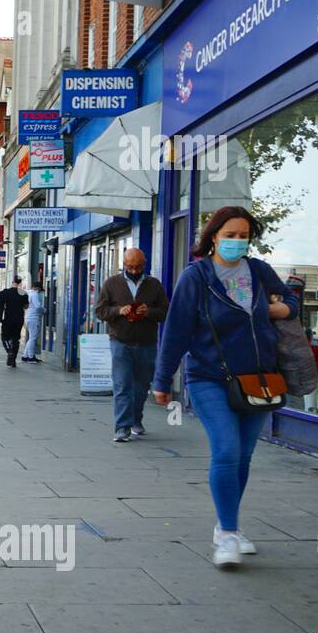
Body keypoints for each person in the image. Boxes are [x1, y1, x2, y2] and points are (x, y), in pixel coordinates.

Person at [152, 206, 298, 569]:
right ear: (213, 236)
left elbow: (291, 302)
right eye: (230, 235)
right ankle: (229, 534)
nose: (237, 242)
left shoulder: (260, 271)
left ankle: (225, 525)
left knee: (243, 457)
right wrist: (161, 380)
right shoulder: (196, 277)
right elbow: (176, 331)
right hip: (208, 378)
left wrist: (277, 309)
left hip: (258, 380)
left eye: (243, 236)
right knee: (227, 449)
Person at [96, 249, 169, 442]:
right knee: (122, 385)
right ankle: (122, 427)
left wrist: (149, 312)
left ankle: (136, 418)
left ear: (144, 264)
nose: (134, 271)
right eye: (130, 267)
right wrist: (119, 310)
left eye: (138, 267)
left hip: (147, 343)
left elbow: (164, 312)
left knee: (141, 385)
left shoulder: (154, 285)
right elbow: (100, 311)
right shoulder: (112, 283)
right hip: (120, 341)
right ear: (124, 264)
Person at [0, 276, 28, 368]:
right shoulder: (23, 293)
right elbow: (26, 306)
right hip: (19, 319)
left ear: (12, 282)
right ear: (20, 283)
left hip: (7, 319)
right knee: (16, 339)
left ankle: (9, 351)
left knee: (4, 337)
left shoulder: (5, 292)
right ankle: (14, 360)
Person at [20, 282, 46, 363]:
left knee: (31, 338)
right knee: (33, 339)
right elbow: (38, 306)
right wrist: (44, 310)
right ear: (37, 288)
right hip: (34, 319)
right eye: (40, 289)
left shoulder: (28, 293)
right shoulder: (34, 294)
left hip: (28, 318)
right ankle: (31, 357)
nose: (40, 291)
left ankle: (25, 356)